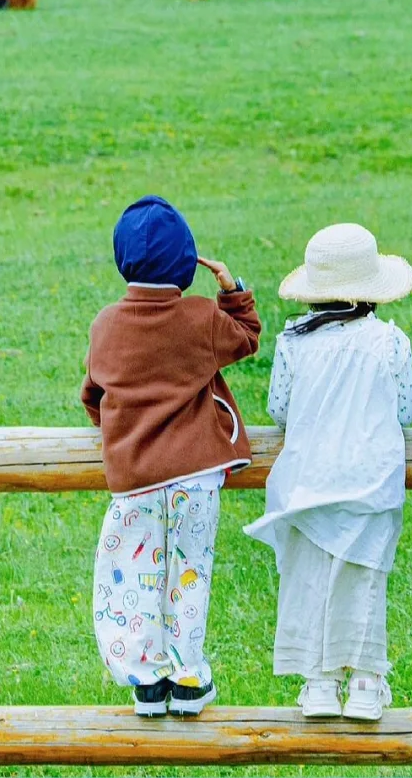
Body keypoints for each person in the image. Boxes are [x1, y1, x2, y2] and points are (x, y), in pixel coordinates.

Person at [81, 194, 261, 717]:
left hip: (134, 482)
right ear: (188, 260)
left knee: (132, 579)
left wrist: (117, 427)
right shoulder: (201, 317)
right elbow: (248, 338)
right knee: (189, 572)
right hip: (196, 480)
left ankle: (146, 681)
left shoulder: (105, 326)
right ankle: (188, 677)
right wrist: (233, 291)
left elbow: (94, 395)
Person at [244, 223, 412, 722]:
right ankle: (365, 681)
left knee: (308, 580)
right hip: (370, 480)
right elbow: (405, 410)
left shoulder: (293, 342)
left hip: (307, 479)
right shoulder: (390, 341)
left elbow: (280, 407)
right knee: (365, 578)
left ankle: (318, 683)